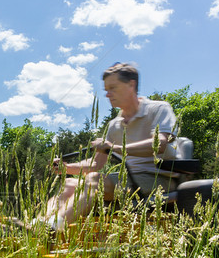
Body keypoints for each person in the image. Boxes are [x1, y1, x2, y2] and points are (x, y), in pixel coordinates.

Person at [42, 62, 178, 229]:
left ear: (131, 85)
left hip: (158, 179)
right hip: (127, 180)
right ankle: (36, 227)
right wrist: (66, 167)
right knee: (70, 184)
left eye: (112, 88)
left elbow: (159, 144)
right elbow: (97, 164)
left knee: (94, 180)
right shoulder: (114, 125)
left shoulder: (158, 109)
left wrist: (113, 148)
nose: (107, 94)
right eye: (106, 89)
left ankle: (53, 228)